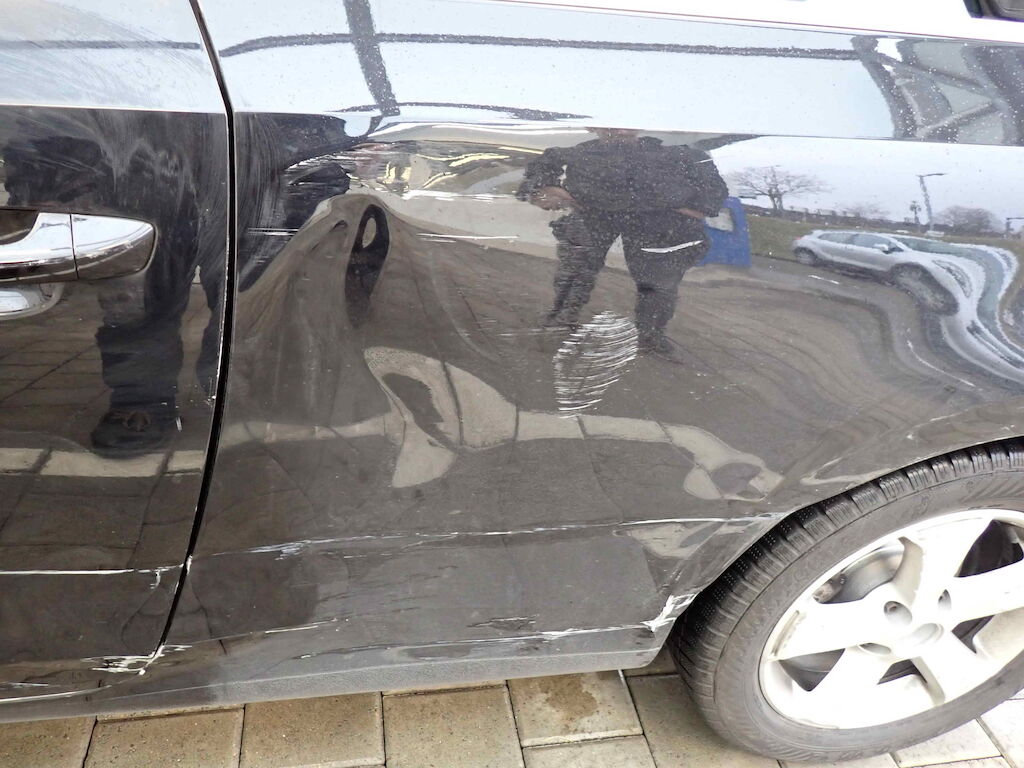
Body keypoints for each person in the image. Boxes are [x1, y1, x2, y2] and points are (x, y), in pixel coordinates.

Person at [517, 128, 727, 353]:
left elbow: (713, 197)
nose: (620, 130)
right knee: (576, 271)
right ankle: (561, 318)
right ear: (593, 127)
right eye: (610, 125)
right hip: (592, 216)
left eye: (627, 124)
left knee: (658, 284)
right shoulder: (578, 153)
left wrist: (670, 203)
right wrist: (544, 188)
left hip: (655, 226)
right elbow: (537, 175)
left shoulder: (678, 155)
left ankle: (651, 336)